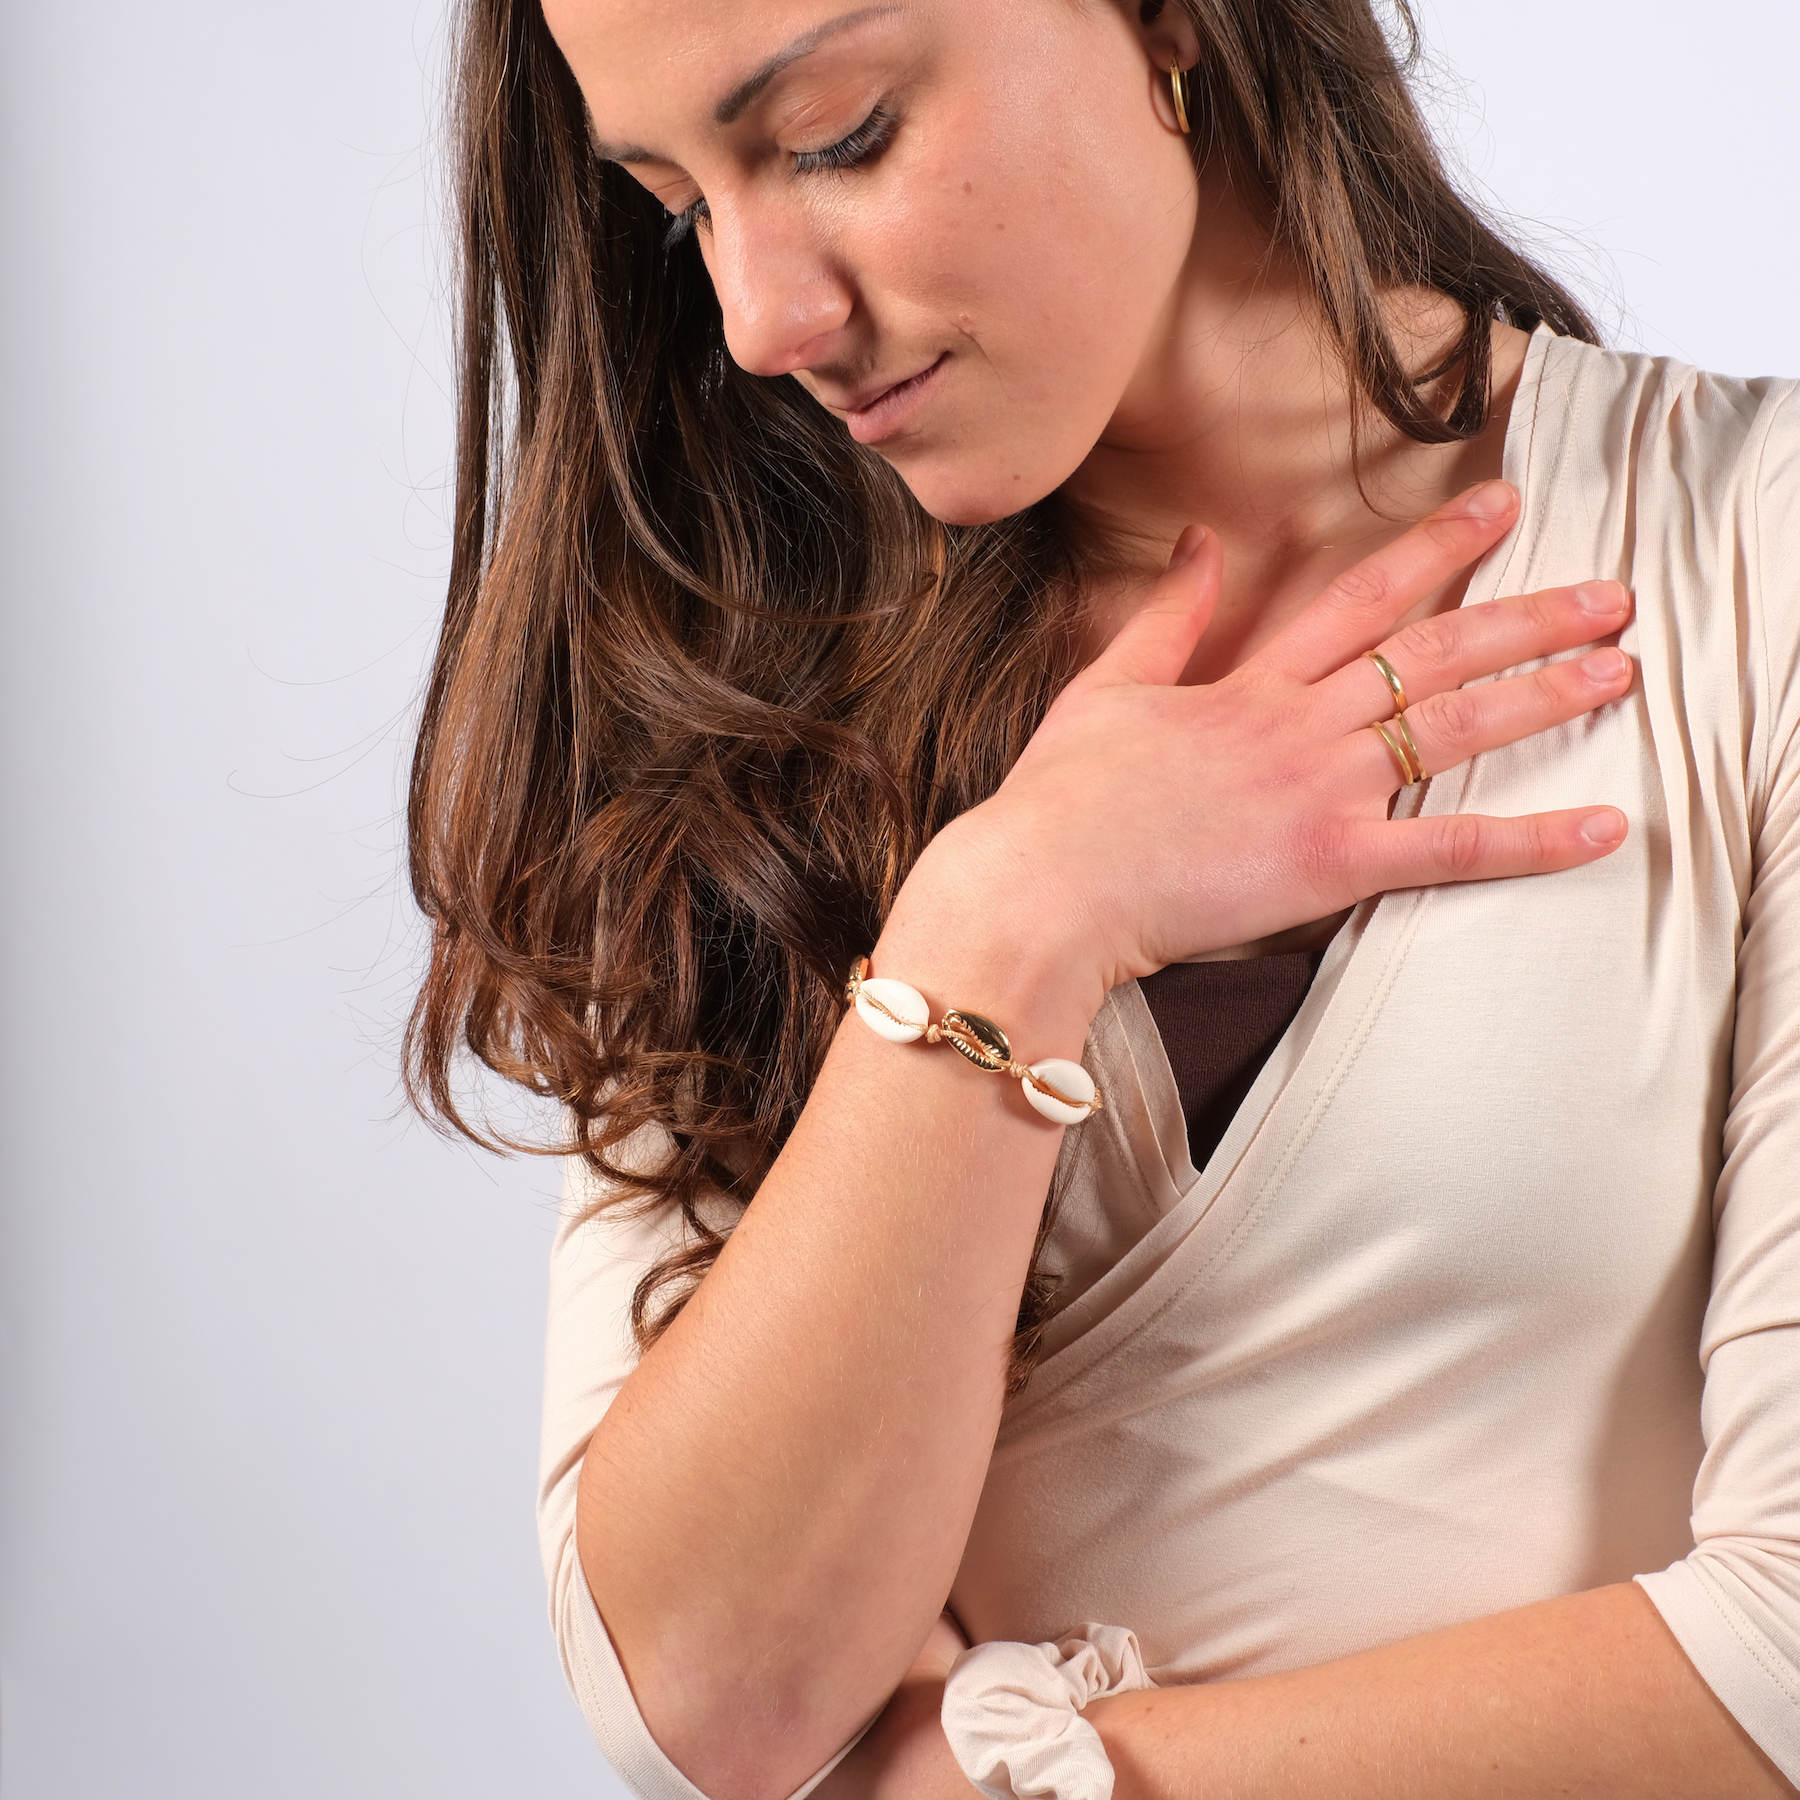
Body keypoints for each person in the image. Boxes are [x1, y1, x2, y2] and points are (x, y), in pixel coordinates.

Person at [401, 1, 1800, 1796]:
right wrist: (1015, 911)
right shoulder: (731, 706)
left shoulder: (1746, 562)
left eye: (838, 138)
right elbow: (710, 1696)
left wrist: (999, 1779)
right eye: (679, 208)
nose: (758, 322)